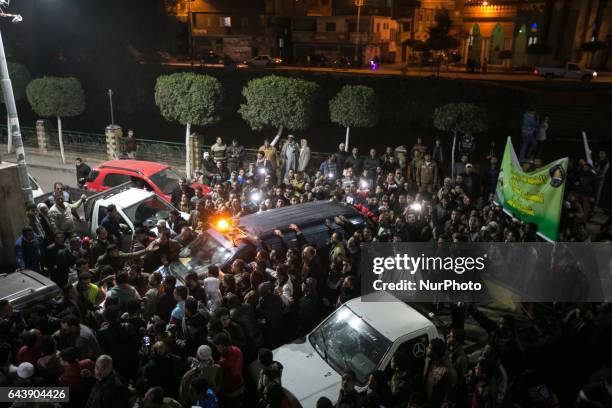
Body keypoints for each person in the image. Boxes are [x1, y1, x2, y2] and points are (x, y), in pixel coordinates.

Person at [213, 333, 244, 408]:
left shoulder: (223, 361)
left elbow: (224, 379)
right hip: (241, 384)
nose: (217, 349)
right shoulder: (237, 349)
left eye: (217, 347)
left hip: (230, 391)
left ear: (221, 346)